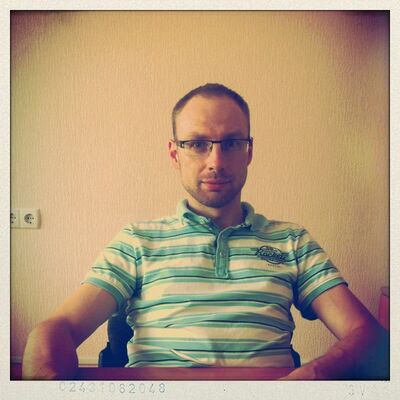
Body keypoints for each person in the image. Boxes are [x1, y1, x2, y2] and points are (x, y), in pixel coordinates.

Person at [22, 83, 388, 380]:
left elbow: (370, 338)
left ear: (248, 152)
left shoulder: (292, 241)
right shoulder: (136, 241)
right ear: (174, 154)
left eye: (231, 143)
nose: (215, 161)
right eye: (197, 144)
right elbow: (57, 329)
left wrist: (311, 378)